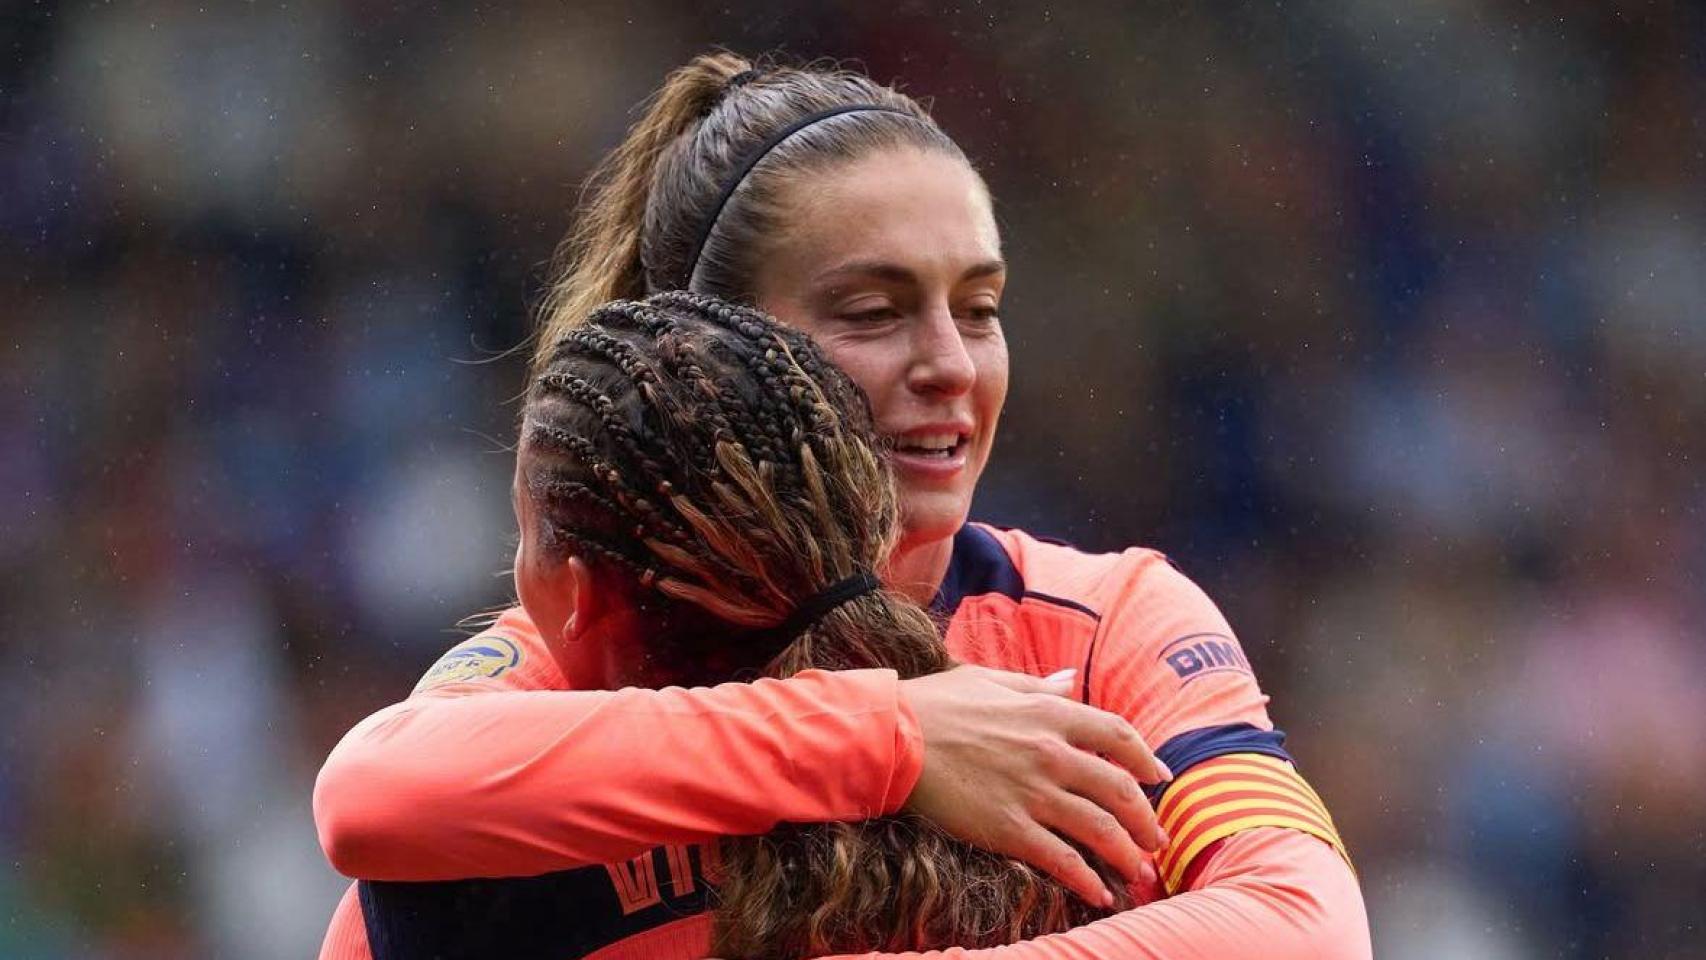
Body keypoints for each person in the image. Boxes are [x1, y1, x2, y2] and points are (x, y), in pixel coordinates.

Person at [314, 52, 1369, 960]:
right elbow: (377, 792)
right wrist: (889, 737)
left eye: (979, 309)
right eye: (873, 312)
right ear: (715, 345)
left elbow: (1303, 927)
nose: (951, 365)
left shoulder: (1100, 629)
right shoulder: (598, 644)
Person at [358, 291, 1136, 960]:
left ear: (575, 593)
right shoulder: (1042, 751)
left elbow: (373, 797)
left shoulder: (466, 857)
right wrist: (882, 731)